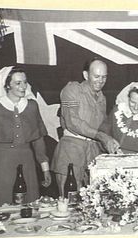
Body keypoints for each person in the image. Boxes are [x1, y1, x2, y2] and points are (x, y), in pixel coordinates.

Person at [0, 66, 51, 212]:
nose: (23, 86)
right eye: (18, 83)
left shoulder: (32, 106)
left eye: (25, 82)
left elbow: (38, 141)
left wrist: (45, 169)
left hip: (27, 163)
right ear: (7, 85)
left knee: (27, 207)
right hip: (1, 165)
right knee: (2, 206)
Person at [51, 58, 108, 196]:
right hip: (71, 153)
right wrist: (101, 136)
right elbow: (72, 122)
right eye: (96, 76)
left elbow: (103, 126)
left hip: (93, 154)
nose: (100, 81)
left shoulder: (102, 98)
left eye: (104, 77)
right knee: (69, 202)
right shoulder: (72, 89)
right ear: (86, 75)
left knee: (94, 202)